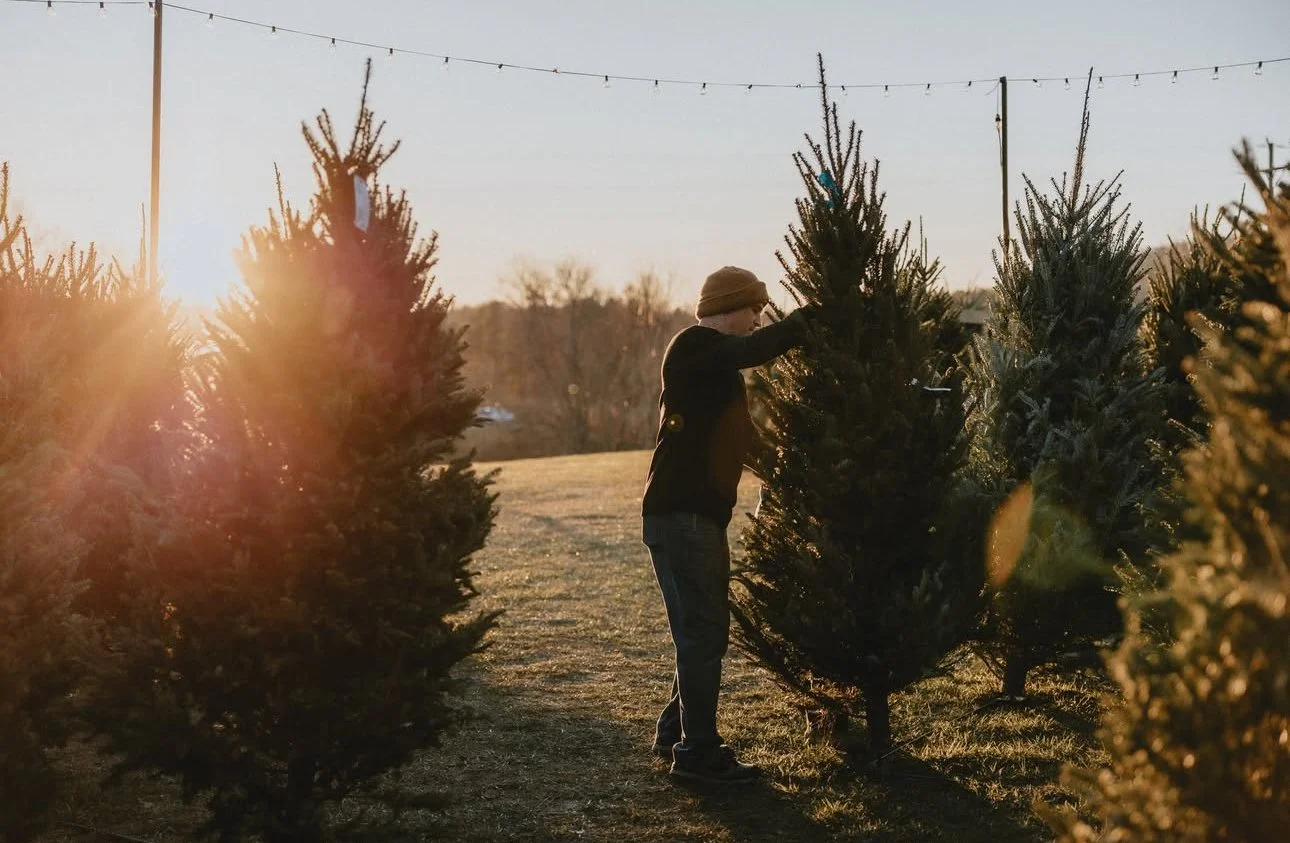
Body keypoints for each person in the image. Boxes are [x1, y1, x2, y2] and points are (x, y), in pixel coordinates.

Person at [641, 265, 810, 784]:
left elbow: (743, 442)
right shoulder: (692, 347)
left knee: (697, 631)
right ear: (729, 308)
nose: (760, 320)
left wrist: (796, 468)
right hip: (683, 517)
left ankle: (675, 732)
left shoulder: (720, 374)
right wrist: (807, 321)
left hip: (688, 517)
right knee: (704, 633)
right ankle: (698, 753)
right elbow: (751, 351)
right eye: (754, 309)